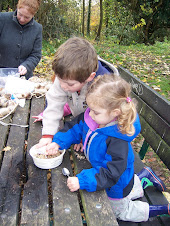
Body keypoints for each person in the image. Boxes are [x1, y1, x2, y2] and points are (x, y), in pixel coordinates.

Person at [45, 74, 169, 222]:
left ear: (115, 113)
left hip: (116, 183)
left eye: (95, 111)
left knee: (120, 211)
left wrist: (83, 181)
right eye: (89, 108)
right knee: (127, 187)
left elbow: (111, 172)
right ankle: (144, 177)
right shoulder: (97, 117)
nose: (89, 114)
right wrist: (58, 142)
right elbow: (75, 128)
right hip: (114, 173)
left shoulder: (117, 140)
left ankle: (163, 209)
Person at [35, 36, 112, 151]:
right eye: (59, 79)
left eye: (70, 85)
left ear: (89, 77)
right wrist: (48, 135)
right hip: (79, 120)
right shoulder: (66, 77)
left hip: (103, 131)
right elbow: (54, 104)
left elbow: (103, 117)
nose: (62, 86)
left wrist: (85, 137)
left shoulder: (105, 87)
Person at [0, 0, 42, 79]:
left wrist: (26, 66)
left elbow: (36, 55)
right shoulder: (2, 19)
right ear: (17, 7)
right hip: (1, 75)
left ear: (33, 15)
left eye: (27, 17)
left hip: (22, 77)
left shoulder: (37, 29)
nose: (22, 19)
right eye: (20, 14)